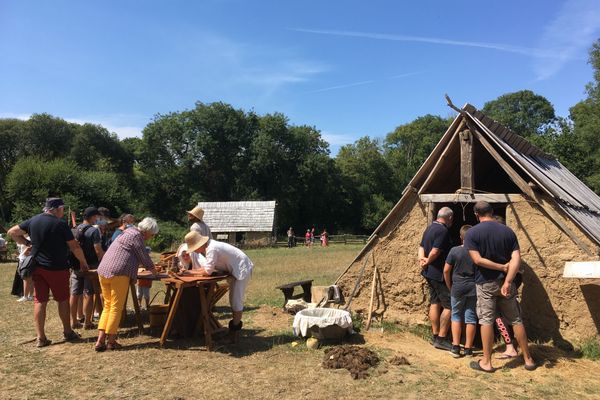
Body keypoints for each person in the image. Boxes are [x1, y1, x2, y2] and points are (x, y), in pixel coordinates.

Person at [464, 201, 536, 372]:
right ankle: (528, 359)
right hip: (505, 284)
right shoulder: (507, 231)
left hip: (485, 283)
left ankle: (487, 362)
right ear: (491, 211)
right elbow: (516, 259)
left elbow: (477, 260)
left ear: (476, 214)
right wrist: (508, 280)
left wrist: (500, 267)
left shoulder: (472, 233)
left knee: (486, 320)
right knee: (516, 319)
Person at [7, 197, 89, 347]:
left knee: (40, 301)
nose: (63, 212)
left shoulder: (33, 220)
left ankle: (41, 338)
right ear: (56, 209)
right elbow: (74, 247)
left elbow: (12, 232)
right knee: (62, 300)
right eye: (62, 209)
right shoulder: (60, 224)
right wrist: (83, 262)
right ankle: (67, 332)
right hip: (57, 268)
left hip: (37, 268)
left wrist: (27, 243)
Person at [94, 217, 158, 352]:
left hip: (103, 270)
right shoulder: (137, 236)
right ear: (147, 231)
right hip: (118, 273)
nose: (151, 238)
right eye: (152, 235)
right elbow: (144, 257)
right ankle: (111, 341)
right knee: (116, 307)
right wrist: (155, 271)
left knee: (108, 306)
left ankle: (100, 340)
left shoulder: (128, 232)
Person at [184, 231, 253, 342]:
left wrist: (188, 273)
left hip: (241, 269)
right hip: (236, 270)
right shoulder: (210, 247)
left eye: (195, 248)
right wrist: (190, 272)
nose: (195, 251)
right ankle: (233, 332)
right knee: (233, 300)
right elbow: (208, 268)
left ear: (199, 245)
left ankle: (233, 334)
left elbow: (207, 271)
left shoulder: (212, 249)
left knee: (236, 301)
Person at [418, 207, 454, 351]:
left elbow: (421, 246)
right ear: (450, 218)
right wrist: (428, 260)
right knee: (450, 305)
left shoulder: (430, 228)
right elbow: (436, 250)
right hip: (438, 274)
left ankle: (435, 335)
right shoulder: (443, 231)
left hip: (428, 273)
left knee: (435, 302)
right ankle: (441, 338)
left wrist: (422, 260)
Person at [443, 225, 477, 358]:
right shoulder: (477, 252)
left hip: (457, 287)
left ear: (461, 237)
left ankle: (456, 347)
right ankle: (468, 349)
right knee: (471, 318)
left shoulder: (454, 251)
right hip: (473, 287)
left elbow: (446, 270)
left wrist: (449, 285)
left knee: (456, 316)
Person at [70, 207, 105, 330]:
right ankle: (87, 322)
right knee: (88, 293)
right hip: (90, 266)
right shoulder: (94, 231)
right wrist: (104, 259)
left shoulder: (74, 229)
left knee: (74, 294)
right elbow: (97, 250)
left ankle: (73, 321)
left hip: (75, 266)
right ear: (92, 217)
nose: (97, 219)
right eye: (96, 217)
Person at [16, 237, 35, 302]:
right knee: (31, 279)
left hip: (25, 260)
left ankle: (25, 296)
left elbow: (30, 249)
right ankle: (30, 296)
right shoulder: (30, 237)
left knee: (26, 279)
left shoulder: (28, 238)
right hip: (28, 260)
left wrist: (24, 253)